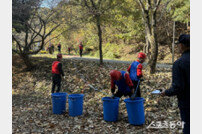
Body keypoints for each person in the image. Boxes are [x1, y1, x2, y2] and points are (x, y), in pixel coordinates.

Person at [161, 34, 190, 134]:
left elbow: (178, 87)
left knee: (188, 127)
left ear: (181, 45)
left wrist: (166, 92)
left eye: (178, 45)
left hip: (187, 103)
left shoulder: (179, 63)